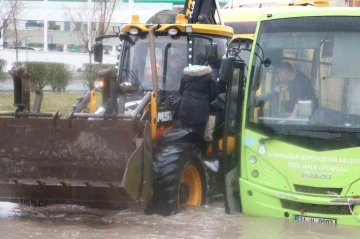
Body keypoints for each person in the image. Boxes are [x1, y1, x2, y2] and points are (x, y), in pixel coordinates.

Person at [177, 53, 218, 137]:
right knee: (199, 137)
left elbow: (181, 91)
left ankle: (186, 149)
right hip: (201, 112)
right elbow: (214, 94)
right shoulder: (209, 76)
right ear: (206, 62)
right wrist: (205, 100)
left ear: (195, 61)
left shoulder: (185, 75)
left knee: (185, 136)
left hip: (185, 110)